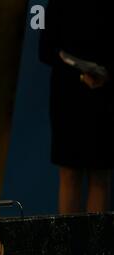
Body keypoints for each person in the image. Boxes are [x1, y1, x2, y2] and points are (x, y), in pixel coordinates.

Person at [39, 0, 113, 214]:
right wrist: (80, 72)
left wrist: (106, 75)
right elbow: (45, 51)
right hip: (68, 96)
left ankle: (95, 247)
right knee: (69, 173)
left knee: (100, 176)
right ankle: (67, 245)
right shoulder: (58, 4)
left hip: (104, 98)